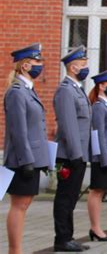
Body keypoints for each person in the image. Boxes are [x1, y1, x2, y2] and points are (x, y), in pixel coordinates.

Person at [3, 43, 50, 254]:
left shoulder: (28, 90)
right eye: (37, 61)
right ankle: (15, 250)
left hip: (32, 157)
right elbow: (18, 131)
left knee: (24, 204)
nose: (41, 65)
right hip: (23, 159)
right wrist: (27, 160)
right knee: (19, 205)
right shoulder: (16, 92)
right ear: (24, 66)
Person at [53, 45, 92, 252]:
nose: (87, 68)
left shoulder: (76, 89)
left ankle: (68, 236)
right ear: (74, 67)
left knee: (71, 199)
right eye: (84, 64)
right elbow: (68, 126)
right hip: (69, 156)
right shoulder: (66, 91)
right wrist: (77, 154)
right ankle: (62, 239)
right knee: (65, 198)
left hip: (78, 154)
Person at [88, 68, 107, 242]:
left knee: (100, 192)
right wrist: (104, 158)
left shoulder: (106, 106)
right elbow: (98, 134)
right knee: (97, 191)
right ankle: (95, 227)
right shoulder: (99, 107)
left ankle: (97, 227)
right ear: (101, 86)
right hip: (102, 157)